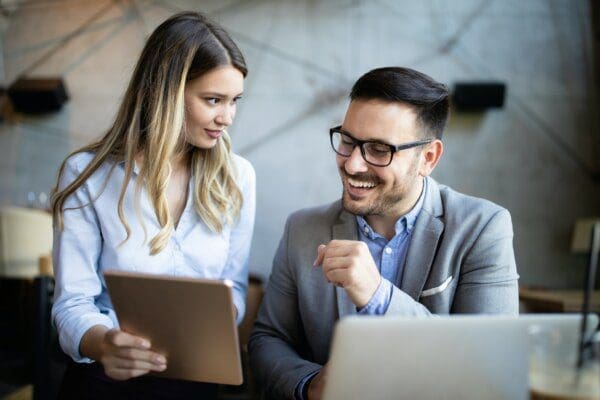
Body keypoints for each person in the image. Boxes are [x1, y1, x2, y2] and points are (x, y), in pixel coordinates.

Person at [248, 67, 519, 400]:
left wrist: (377, 295)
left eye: (378, 149)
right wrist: (309, 384)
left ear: (428, 158)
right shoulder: (302, 229)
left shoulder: (483, 227)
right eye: (348, 141)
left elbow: (491, 367)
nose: (352, 165)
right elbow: (268, 339)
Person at [50, 11, 255, 399]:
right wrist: (104, 344)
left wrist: (223, 314)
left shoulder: (238, 177)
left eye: (234, 101)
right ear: (166, 92)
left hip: (195, 384)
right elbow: (71, 304)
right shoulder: (88, 175)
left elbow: (237, 289)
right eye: (213, 100)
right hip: (105, 383)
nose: (226, 117)